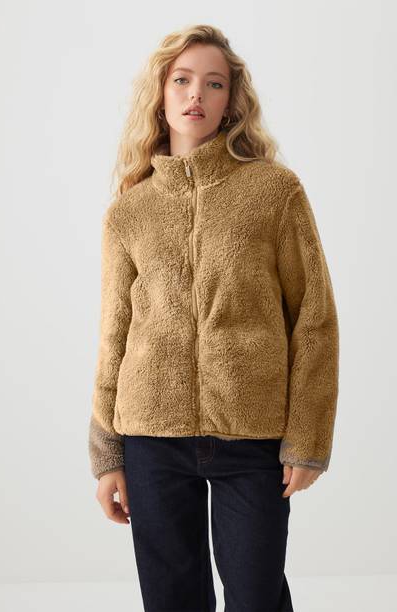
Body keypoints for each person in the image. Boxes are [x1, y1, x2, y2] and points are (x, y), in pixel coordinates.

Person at [88, 24, 339, 612]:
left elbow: (314, 320)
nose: (196, 94)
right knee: (171, 599)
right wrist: (108, 455)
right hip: (151, 435)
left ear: (232, 100)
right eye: (181, 80)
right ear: (160, 93)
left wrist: (307, 438)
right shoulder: (129, 211)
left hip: (252, 433)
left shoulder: (275, 192)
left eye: (214, 83)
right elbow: (114, 335)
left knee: (255, 595)